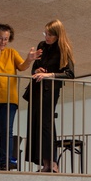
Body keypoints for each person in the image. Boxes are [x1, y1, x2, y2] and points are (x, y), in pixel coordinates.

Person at [0, 23, 41, 169]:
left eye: (6, 39)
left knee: (7, 131)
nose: (3, 41)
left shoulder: (12, 52)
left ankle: (5, 161)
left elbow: (22, 67)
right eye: (0, 38)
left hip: (9, 98)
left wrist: (29, 59)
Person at [25, 19, 75, 172]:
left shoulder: (64, 49)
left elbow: (70, 74)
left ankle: (52, 163)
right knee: (36, 124)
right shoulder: (42, 46)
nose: (46, 37)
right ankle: (45, 163)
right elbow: (34, 69)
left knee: (46, 124)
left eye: (50, 35)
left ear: (58, 35)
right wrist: (37, 70)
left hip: (50, 89)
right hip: (37, 88)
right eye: (45, 34)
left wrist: (49, 75)